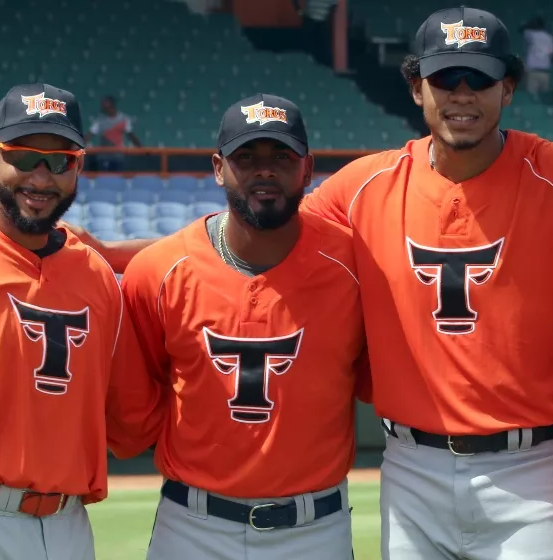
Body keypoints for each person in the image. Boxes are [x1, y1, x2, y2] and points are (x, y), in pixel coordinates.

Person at [66, 7, 553, 559]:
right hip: (410, 462)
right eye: (446, 78)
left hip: (533, 462)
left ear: (510, 87)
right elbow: (259, 233)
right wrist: (113, 253)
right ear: (417, 88)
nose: (462, 94)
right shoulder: (364, 187)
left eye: (480, 78)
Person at [119, 93, 369, 560]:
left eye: (281, 156)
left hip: (315, 527)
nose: (265, 170)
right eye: (246, 157)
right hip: (192, 526)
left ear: (308, 169)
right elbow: (138, 403)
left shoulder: (356, 265)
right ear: (218, 167)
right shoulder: (158, 271)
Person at [0, 83, 165, 560]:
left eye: (60, 160)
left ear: (79, 165)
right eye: (24, 157)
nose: (41, 177)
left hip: (68, 527)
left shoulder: (97, 276)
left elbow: (130, 424)